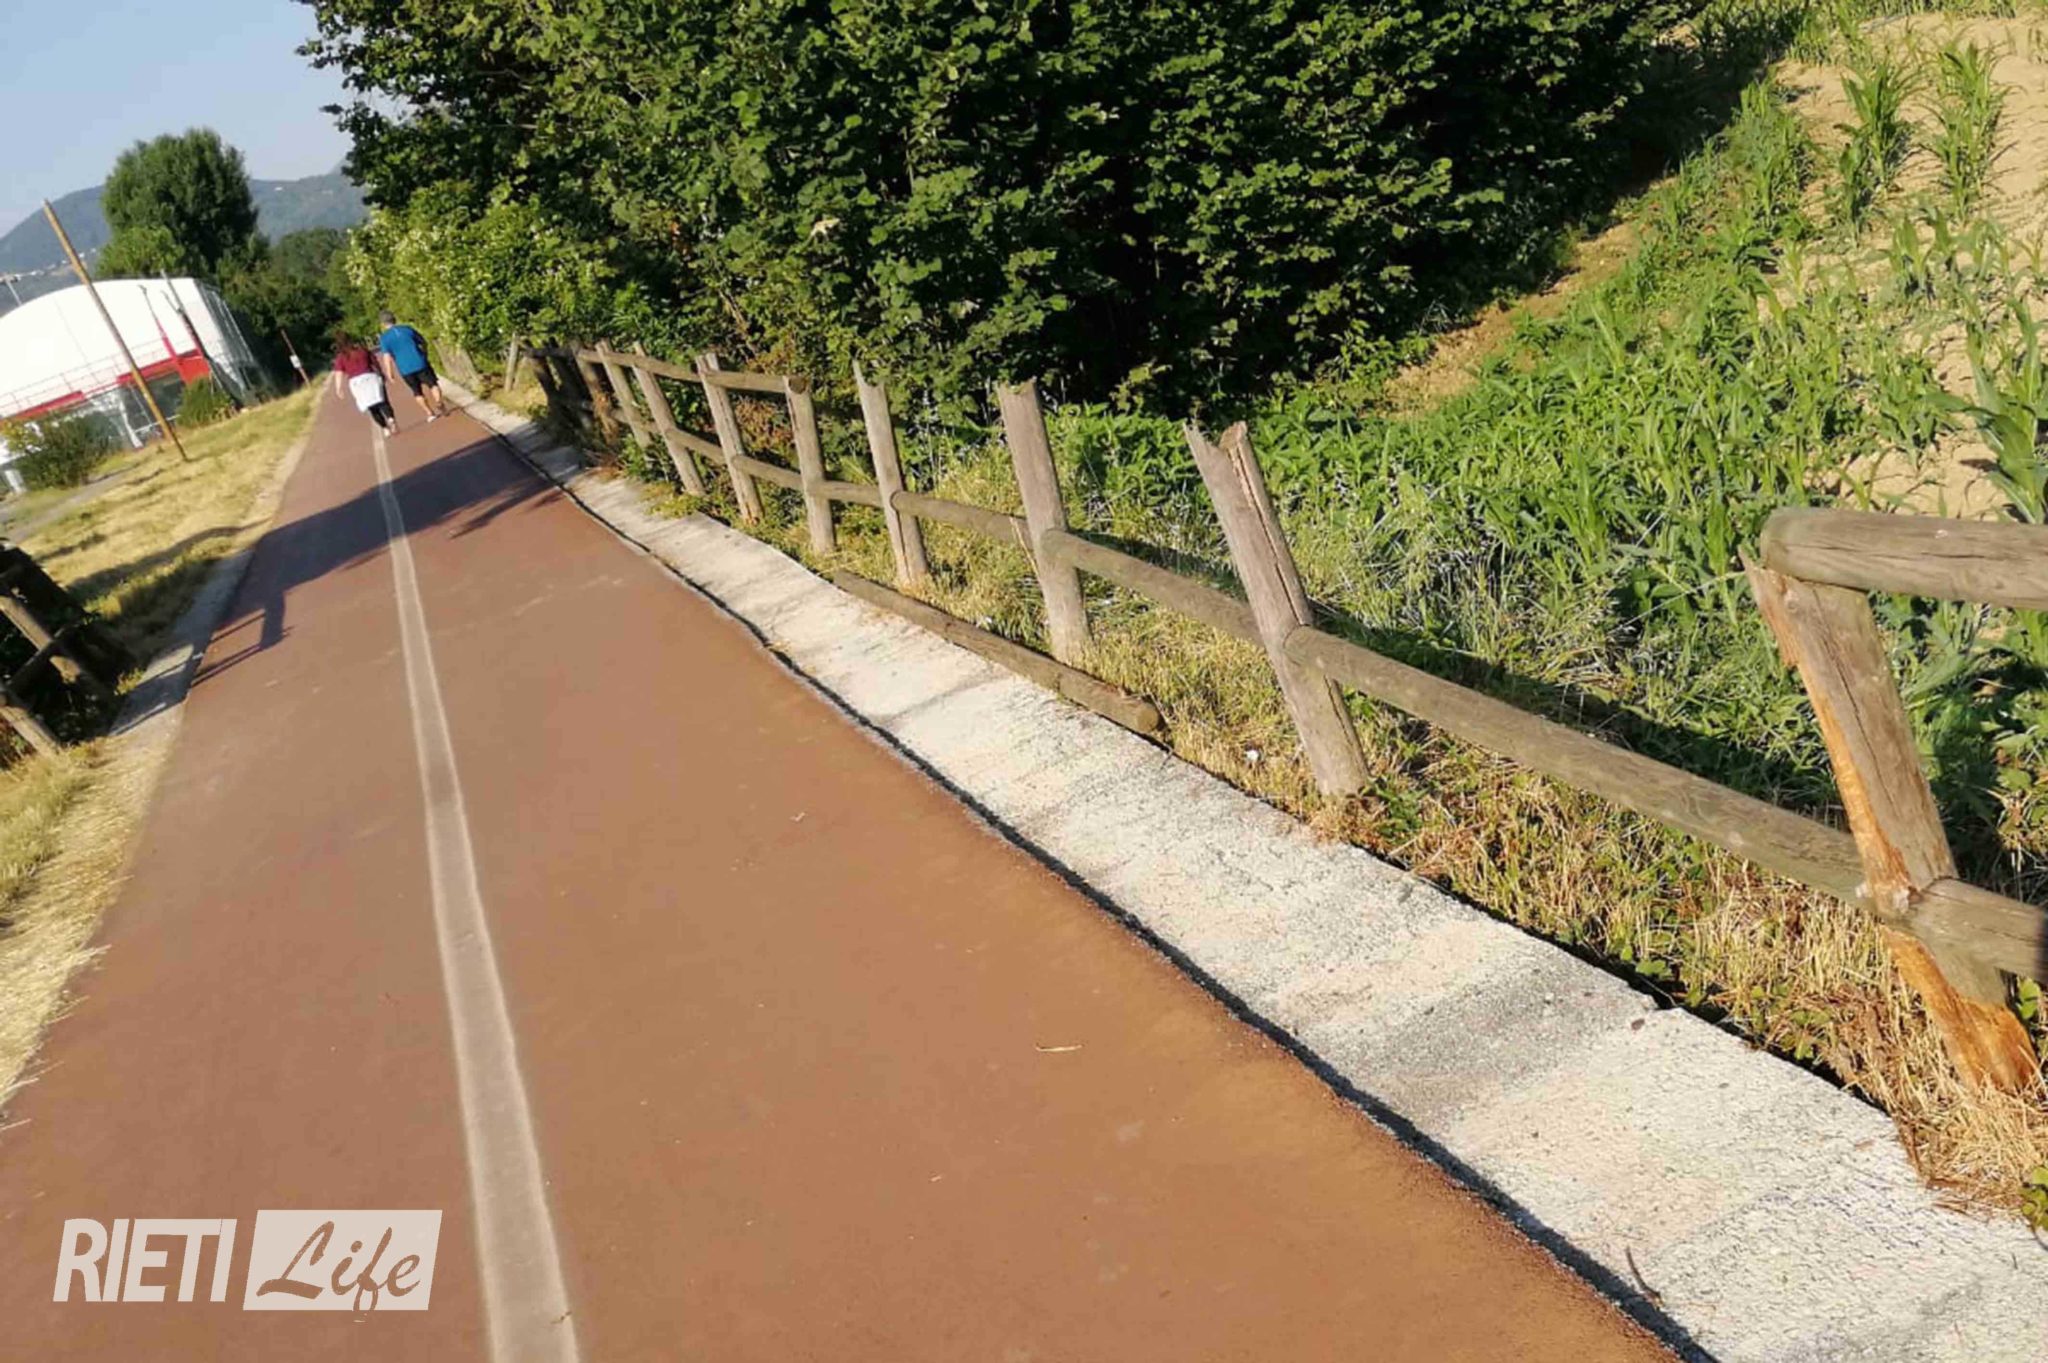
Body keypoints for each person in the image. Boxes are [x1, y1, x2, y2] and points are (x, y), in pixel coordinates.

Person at [376, 310, 447, 422]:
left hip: (405, 369)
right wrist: (424, 354)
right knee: (433, 384)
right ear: (394, 319)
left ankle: (429, 413)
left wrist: (390, 373)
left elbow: (386, 356)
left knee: (417, 392)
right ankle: (439, 402)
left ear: (383, 323)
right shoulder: (407, 329)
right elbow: (423, 341)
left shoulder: (384, 338)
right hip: (420, 362)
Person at [331, 328, 396, 434]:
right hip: (370, 377)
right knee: (382, 400)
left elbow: (338, 373)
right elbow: (374, 362)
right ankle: (390, 418)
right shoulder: (362, 350)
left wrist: (338, 388)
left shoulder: (341, 357)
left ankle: (385, 428)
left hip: (356, 383)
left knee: (371, 407)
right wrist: (381, 373)